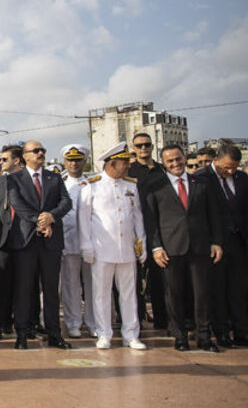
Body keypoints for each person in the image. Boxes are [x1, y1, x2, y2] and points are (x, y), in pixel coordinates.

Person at [145, 145, 224, 352]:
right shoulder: (155, 187)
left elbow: (213, 215)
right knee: (174, 295)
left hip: (200, 247)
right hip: (171, 249)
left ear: (184, 158)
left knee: (202, 294)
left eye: (178, 159)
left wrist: (216, 241)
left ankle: (204, 337)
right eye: (170, 161)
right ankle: (180, 336)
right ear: (164, 163)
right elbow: (151, 221)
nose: (175, 164)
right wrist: (156, 247)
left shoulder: (201, 183)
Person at [78, 142, 148, 350]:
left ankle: (131, 334)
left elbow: (137, 217)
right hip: (102, 248)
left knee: (129, 293)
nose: (128, 166)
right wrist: (86, 246)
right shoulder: (92, 185)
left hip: (126, 248)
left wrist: (141, 242)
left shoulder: (131, 186)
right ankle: (104, 332)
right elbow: (84, 219)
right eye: (124, 162)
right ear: (112, 163)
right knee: (101, 293)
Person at [7, 140, 72, 350]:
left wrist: (51, 217)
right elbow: (17, 204)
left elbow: (66, 202)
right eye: (35, 151)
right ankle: (23, 334)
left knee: (51, 290)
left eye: (42, 150)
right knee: (24, 289)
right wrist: (40, 221)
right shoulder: (14, 179)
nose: (40, 153)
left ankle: (54, 333)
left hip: (51, 242)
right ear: (25, 156)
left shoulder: (54, 177)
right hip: (26, 241)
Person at [197, 143, 248, 347]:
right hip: (215, 244)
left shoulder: (242, 179)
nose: (230, 171)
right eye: (226, 167)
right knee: (217, 290)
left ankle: (242, 331)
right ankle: (222, 332)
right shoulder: (201, 179)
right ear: (216, 160)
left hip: (239, 242)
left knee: (238, 290)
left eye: (234, 167)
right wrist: (211, 241)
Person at [127, 132, 167, 330]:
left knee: (160, 278)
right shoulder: (130, 171)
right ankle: (138, 319)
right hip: (137, 229)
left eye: (147, 145)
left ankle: (162, 318)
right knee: (136, 280)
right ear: (133, 148)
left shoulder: (162, 169)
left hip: (160, 229)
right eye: (139, 145)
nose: (143, 148)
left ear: (152, 146)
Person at [60, 144, 95, 339]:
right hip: (69, 241)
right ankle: (73, 322)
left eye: (78, 160)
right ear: (65, 162)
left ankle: (93, 322)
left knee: (93, 285)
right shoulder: (60, 183)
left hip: (90, 241)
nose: (74, 164)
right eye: (70, 160)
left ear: (84, 161)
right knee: (70, 284)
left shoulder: (93, 182)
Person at [0, 145, 23, 340]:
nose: (0, 163)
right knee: (0, 285)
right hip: (2, 241)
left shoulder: (27, 181)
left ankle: (25, 325)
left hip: (25, 240)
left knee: (26, 286)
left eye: (4, 159)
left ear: (16, 160)